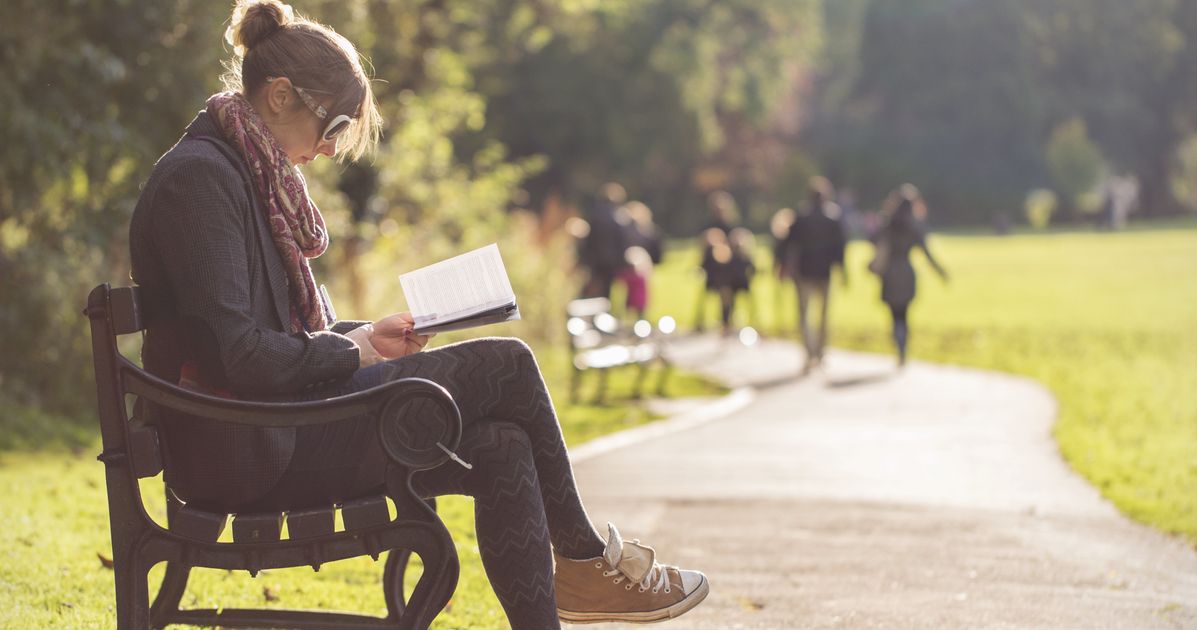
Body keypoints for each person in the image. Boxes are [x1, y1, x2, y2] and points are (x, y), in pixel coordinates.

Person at [126, 3, 708, 628]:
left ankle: (571, 593)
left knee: (503, 446)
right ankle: (589, 561)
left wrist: (365, 338)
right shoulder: (201, 181)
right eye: (335, 126)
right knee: (508, 363)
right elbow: (238, 356)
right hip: (245, 448)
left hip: (277, 423)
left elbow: (274, 337)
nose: (328, 150)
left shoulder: (247, 176)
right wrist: (355, 353)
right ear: (279, 96)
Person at [870, 184, 948, 366]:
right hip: (906, 271)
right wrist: (940, 271)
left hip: (890, 272)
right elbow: (927, 253)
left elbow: (875, 242)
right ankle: (902, 345)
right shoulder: (914, 226)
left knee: (894, 314)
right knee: (904, 314)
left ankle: (898, 341)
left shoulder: (887, 224)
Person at [784, 176, 847, 373]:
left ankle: (810, 351)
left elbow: (791, 246)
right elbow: (840, 248)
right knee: (823, 315)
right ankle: (820, 352)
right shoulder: (833, 217)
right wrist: (843, 271)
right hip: (824, 272)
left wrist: (788, 268)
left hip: (804, 272)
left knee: (805, 315)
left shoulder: (801, 216)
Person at [579, 182, 631, 299]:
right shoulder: (620, 217)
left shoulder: (594, 215)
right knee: (607, 289)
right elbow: (623, 241)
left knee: (596, 286)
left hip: (596, 260)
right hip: (613, 261)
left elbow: (589, 240)